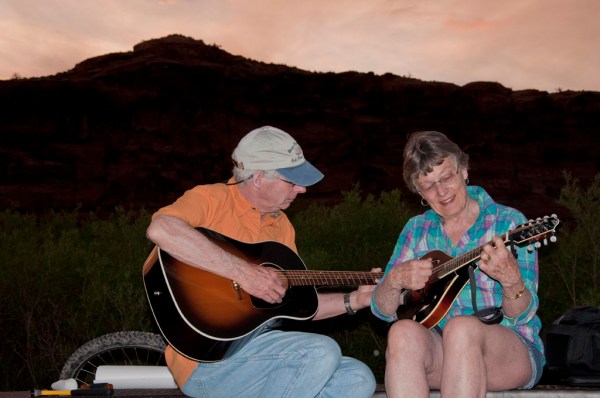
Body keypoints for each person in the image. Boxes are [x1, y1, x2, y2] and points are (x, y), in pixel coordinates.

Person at [146, 125, 377, 398]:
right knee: (320, 351)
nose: (302, 189)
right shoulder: (212, 199)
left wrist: (355, 301)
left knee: (358, 378)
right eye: (292, 181)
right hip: (208, 362)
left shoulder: (282, 228)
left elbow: (299, 307)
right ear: (257, 178)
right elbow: (161, 229)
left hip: (263, 354)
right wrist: (243, 273)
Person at [371, 131, 545, 397]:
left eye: (446, 177)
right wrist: (394, 280)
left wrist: (511, 280)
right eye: (428, 186)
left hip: (509, 349)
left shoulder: (507, 223)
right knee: (402, 332)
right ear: (418, 191)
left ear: (464, 170)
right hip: (442, 352)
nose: (441, 192)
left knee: (461, 328)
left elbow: (521, 314)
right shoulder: (416, 230)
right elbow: (383, 310)